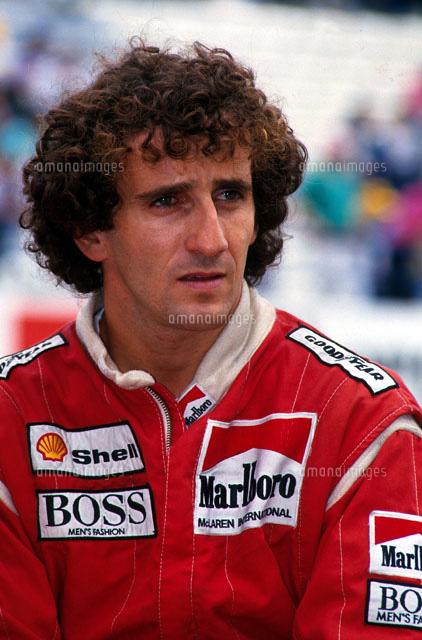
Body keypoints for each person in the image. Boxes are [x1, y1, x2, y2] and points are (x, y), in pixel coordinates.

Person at [0, 39, 421, 640]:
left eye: (230, 195)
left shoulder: (359, 422)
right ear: (90, 231)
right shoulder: (11, 418)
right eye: (167, 201)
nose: (211, 239)